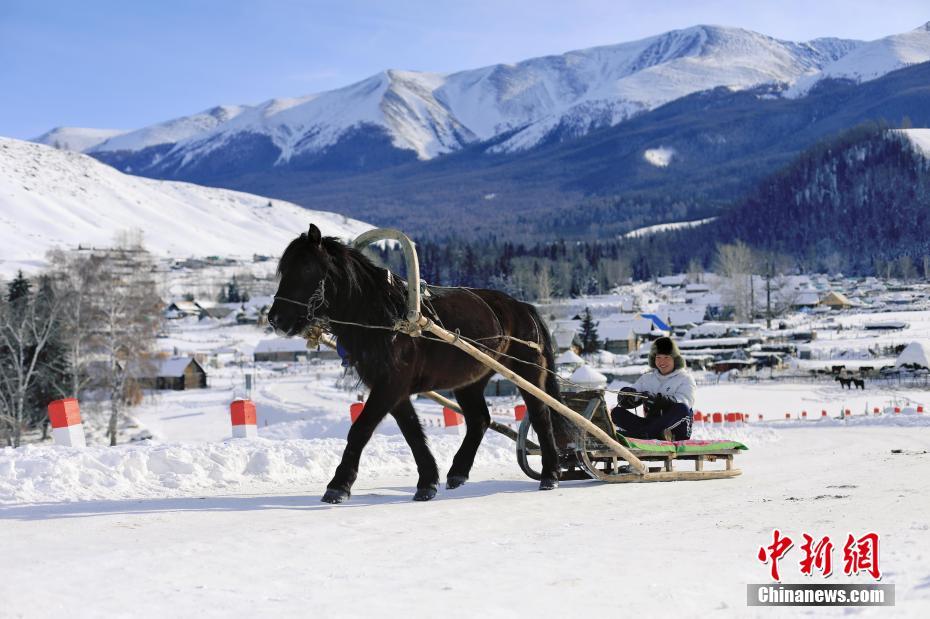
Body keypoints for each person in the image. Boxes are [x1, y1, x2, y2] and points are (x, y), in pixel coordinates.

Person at [611, 336, 695, 441]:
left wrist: (659, 400)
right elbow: (634, 392)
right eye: (658, 357)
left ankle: (644, 434)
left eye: (666, 357)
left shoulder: (685, 378)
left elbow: (686, 400)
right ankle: (646, 434)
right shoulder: (647, 378)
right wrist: (628, 395)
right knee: (617, 412)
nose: (662, 362)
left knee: (682, 408)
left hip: (676, 430)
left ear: (675, 359)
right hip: (651, 425)